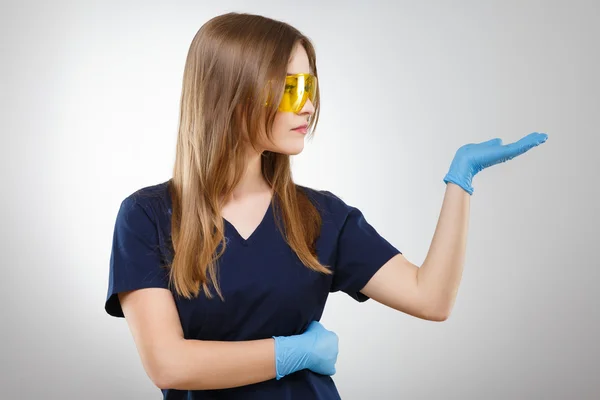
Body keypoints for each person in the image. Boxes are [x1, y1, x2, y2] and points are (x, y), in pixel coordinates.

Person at [104, 12, 548, 400]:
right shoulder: (148, 216)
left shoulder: (319, 217)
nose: (309, 106)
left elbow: (430, 298)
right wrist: (293, 352)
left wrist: (460, 181)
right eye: (290, 88)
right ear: (233, 93)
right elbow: (169, 365)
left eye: (310, 87)